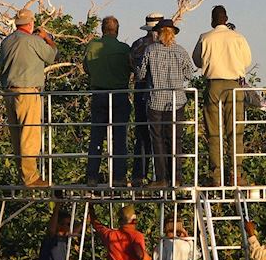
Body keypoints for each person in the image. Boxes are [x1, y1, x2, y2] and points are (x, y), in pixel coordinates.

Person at [192, 5, 252, 186]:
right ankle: (236, 174)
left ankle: (216, 176)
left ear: (212, 20)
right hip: (234, 85)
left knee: (214, 133)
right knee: (235, 131)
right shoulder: (238, 37)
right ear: (226, 19)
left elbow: (197, 61)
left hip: (213, 86)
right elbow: (247, 61)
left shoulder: (205, 37)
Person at [0, 8, 58, 187]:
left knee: (17, 136)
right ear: (31, 23)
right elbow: (52, 56)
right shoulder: (33, 40)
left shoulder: (6, 41)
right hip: (27, 92)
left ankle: (23, 176)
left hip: (9, 92)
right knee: (30, 135)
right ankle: (31, 178)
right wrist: (47, 38)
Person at [137, 19, 195, 187]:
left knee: (158, 139)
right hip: (176, 102)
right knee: (175, 139)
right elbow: (190, 74)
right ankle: (176, 177)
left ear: (158, 33)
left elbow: (141, 74)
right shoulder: (181, 51)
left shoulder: (150, 50)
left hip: (155, 100)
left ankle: (162, 177)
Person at [83, 16, 132, 186]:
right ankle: (119, 177)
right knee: (119, 137)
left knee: (96, 136)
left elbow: (86, 68)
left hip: (99, 95)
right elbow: (131, 68)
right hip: (119, 94)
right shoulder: (124, 49)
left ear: (102, 30)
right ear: (117, 30)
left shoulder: (92, 46)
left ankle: (92, 176)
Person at [129, 13, 163, 186]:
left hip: (140, 89)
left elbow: (132, 67)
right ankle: (162, 175)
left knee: (142, 133)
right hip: (159, 91)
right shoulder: (163, 47)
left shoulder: (137, 45)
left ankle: (139, 174)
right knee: (160, 134)